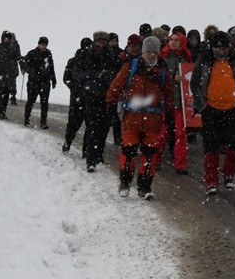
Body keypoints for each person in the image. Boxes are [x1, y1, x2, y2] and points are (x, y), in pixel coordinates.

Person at [107, 36, 174, 199]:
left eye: (154, 52)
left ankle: (144, 187)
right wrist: (110, 101)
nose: (151, 55)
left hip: (153, 120)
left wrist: (170, 113)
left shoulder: (163, 71)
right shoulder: (131, 67)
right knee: (128, 151)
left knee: (150, 154)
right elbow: (116, 85)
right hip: (132, 117)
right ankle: (125, 183)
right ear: (143, 52)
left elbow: (169, 94)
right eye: (148, 51)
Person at [190, 30, 235, 194]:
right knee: (210, 146)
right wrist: (202, 106)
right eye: (217, 48)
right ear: (212, 47)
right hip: (211, 110)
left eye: (223, 48)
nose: (220, 52)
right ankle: (211, 181)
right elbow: (194, 84)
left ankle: (229, 174)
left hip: (233, 110)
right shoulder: (204, 61)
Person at [156, 30, 193, 175]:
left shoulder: (187, 58)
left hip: (181, 103)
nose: (173, 42)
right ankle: (155, 160)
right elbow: (158, 76)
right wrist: (173, 76)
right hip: (165, 102)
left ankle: (181, 164)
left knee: (181, 135)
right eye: (171, 39)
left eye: (176, 40)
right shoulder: (162, 57)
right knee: (161, 134)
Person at [78, 31, 115, 172]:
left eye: (104, 42)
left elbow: (116, 72)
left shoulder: (111, 55)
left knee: (104, 127)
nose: (101, 45)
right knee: (92, 127)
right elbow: (77, 74)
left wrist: (107, 76)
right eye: (99, 42)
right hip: (90, 95)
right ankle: (90, 158)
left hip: (106, 96)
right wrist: (93, 76)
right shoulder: (85, 55)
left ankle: (99, 154)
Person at [62, 37, 91, 153]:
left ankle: (86, 149)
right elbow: (67, 78)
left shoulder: (92, 62)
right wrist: (76, 90)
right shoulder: (73, 61)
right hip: (77, 97)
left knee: (90, 125)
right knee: (74, 122)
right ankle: (68, 142)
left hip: (89, 97)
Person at [22, 36, 57, 128]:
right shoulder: (32, 53)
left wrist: (53, 79)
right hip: (33, 82)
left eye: (45, 45)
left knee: (44, 103)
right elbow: (23, 63)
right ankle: (26, 120)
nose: (43, 47)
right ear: (38, 44)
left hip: (45, 82)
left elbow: (51, 67)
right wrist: (30, 71)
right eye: (42, 44)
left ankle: (43, 122)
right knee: (30, 101)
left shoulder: (48, 54)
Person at [0, 31, 22, 120]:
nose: (7, 40)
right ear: (3, 38)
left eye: (9, 38)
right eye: (6, 38)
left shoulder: (13, 48)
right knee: (0, 93)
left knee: (6, 94)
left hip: (10, 74)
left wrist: (22, 59)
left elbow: (18, 57)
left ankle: (3, 112)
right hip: (1, 73)